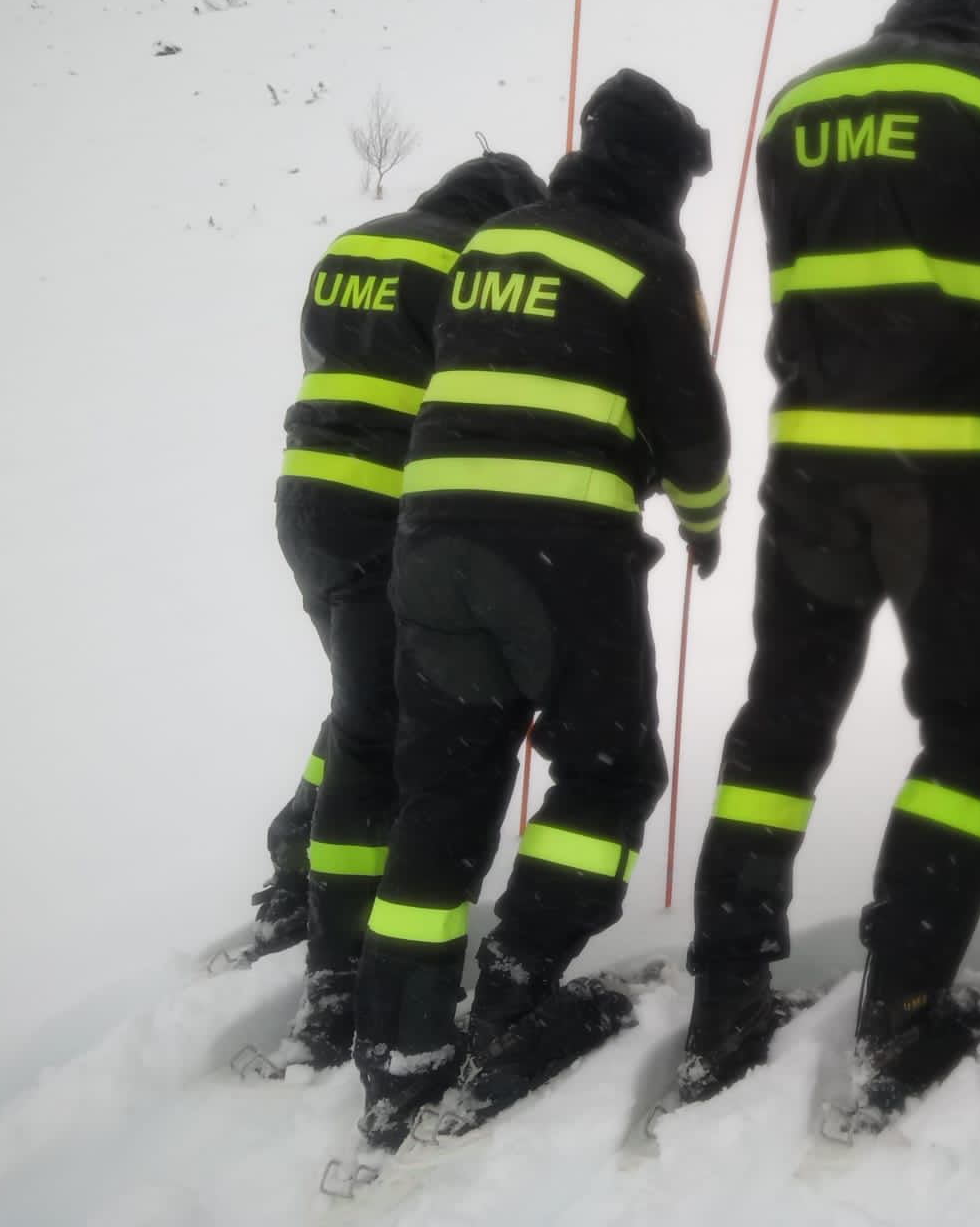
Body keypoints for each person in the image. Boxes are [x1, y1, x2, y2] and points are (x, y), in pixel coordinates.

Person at [679, 0, 980, 1123]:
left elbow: (804, 287)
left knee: (781, 721)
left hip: (810, 467)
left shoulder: (798, 105)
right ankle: (902, 1006)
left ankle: (724, 994)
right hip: (945, 472)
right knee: (977, 738)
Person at [348, 70, 730, 1152]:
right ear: (657, 172)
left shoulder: (491, 246)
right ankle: (516, 985)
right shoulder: (645, 259)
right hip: (557, 549)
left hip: (427, 545)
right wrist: (699, 517)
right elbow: (690, 427)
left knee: (445, 788)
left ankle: (400, 1052)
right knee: (609, 770)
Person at [255, 152, 547, 982]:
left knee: (363, 695)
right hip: (391, 509)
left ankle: (295, 853)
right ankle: (332, 921)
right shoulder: (465, 262)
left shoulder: (355, 245)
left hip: (307, 503)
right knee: (375, 722)